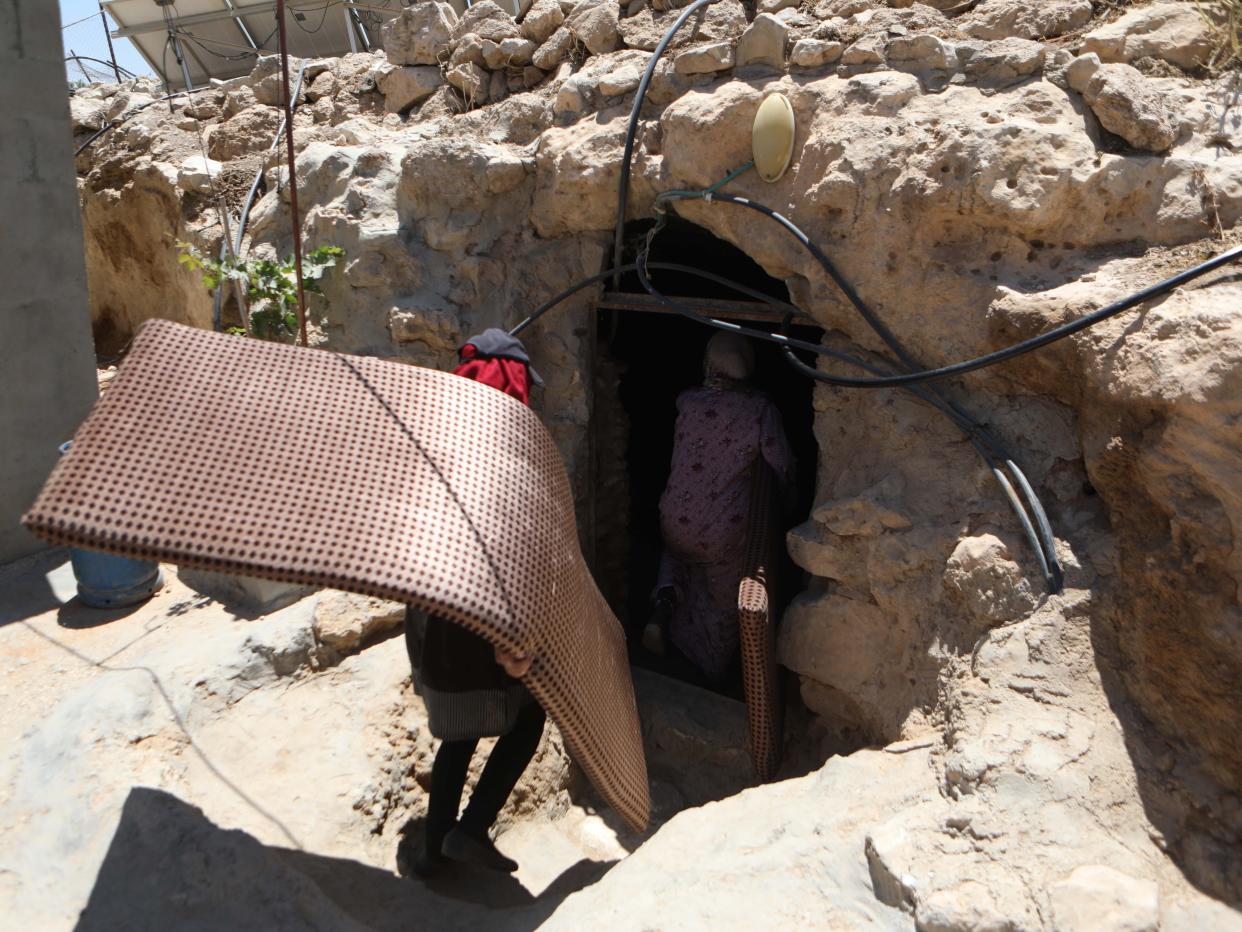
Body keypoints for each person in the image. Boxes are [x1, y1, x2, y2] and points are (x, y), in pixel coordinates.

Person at [406, 329, 546, 877]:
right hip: (479, 615)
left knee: (460, 733)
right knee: (527, 721)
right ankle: (471, 828)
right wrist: (511, 637)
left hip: (433, 613)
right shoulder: (505, 454)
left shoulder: (439, 436)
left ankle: (437, 848)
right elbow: (504, 551)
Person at [644, 332, 794, 689]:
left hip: (674, 514)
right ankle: (705, 672)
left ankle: (662, 607)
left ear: (709, 363)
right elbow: (781, 462)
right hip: (722, 529)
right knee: (720, 598)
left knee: (678, 560)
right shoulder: (760, 411)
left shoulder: (688, 402)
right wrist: (789, 500)